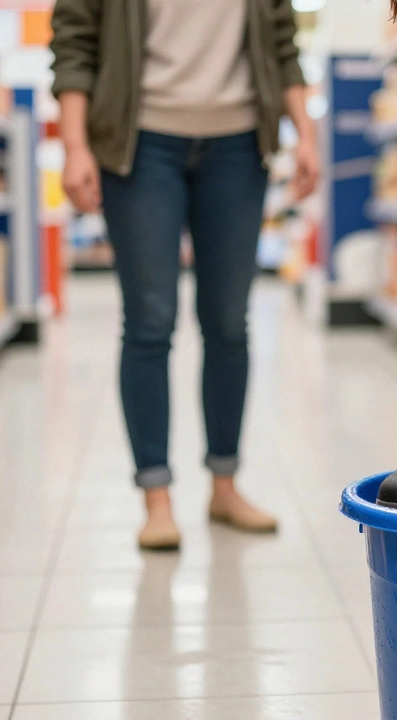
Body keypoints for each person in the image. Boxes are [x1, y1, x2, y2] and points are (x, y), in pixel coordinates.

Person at [50, 0, 318, 550]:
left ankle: (225, 483)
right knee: (149, 319)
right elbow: (75, 44)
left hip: (240, 142)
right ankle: (157, 497)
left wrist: (306, 133)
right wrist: (75, 145)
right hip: (140, 139)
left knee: (227, 321)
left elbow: (282, 43)